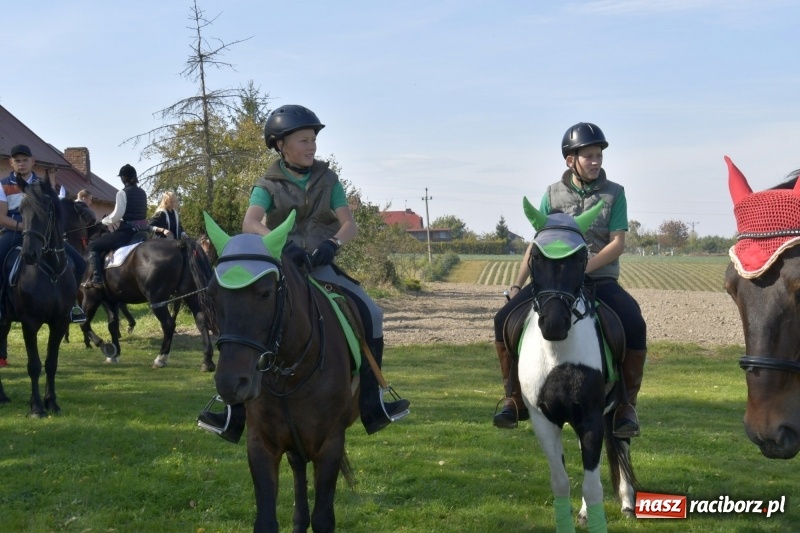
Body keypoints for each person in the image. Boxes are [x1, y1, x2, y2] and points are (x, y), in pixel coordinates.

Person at [197, 104, 410, 443]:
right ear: (281, 145)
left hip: (321, 266)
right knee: (245, 318)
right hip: (282, 268)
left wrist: (333, 245)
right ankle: (230, 411)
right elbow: (250, 221)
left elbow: (349, 224)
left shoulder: (329, 179)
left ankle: (373, 400)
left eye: (313, 140)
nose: (312, 146)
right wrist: (277, 243)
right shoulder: (266, 183)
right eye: (304, 140)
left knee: (372, 312)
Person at [492, 123, 647, 438]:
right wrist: (517, 285)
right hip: (553, 282)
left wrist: (585, 267)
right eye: (588, 156)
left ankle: (625, 406)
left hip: (598, 279)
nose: (596, 161)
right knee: (503, 319)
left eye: (598, 155)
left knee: (634, 323)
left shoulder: (615, 193)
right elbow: (536, 245)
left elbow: (618, 243)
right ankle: (514, 397)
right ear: (570, 160)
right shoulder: (552, 194)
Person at [0, 145, 87, 330]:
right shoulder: (3, 184)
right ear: (11, 163)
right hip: (14, 231)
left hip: (44, 234)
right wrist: (24, 226)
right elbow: (1, 217)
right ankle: (2, 306)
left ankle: (72, 306)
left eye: (25, 160)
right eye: (17, 161)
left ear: (33, 162)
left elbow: (54, 214)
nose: (21, 164)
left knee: (80, 263)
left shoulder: (44, 185)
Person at [83, 164, 148, 288]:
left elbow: (117, 215)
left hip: (128, 231)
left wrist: (103, 221)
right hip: (143, 231)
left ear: (124, 178)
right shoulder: (142, 192)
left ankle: (97, 279)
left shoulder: (122, 193)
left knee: (93, 246)